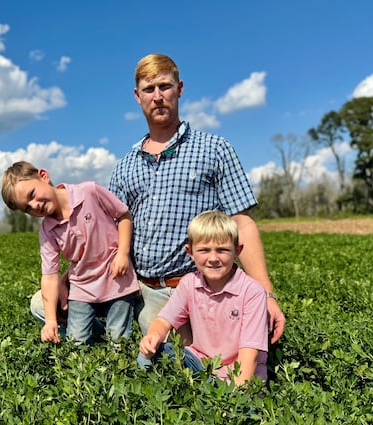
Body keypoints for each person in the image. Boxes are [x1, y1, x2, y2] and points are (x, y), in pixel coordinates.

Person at [108, 53, 285, 344]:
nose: (158, 96)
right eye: (149, 90)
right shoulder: (125, 165)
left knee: (206, 362)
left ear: (179, 88)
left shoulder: (214, 149)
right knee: (44, 305)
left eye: (165, 86)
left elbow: (242, 221)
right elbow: (107, 234)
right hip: (142, 287)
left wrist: (265, 293)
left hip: (200, 284)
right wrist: (67, 280)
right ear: (137, 96)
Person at [2, 161, 139, 344]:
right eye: (27, 208)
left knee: (118, 342)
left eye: (32, 194)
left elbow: (123, 215)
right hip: (82, 287)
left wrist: (123, 253)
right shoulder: (47, 230)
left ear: (43, 176)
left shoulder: (89, 192)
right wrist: (50, 321)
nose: (35, 206)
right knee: (77, 342)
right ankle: (96, 350)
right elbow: (49, 276)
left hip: (116, 279)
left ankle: (115, 355)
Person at [138, 210, 268, 384]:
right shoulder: (189, 283)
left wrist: (234, 400)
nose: (213, 258)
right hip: (199, 364)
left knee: (246, 409)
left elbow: (249, 357)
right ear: (190, 252)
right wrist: (152, 336)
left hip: (238, 377)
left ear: (237, 251)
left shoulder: (252, 292)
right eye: (204, 250)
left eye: (222, 250)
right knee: (158, 352)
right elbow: (163, 321)